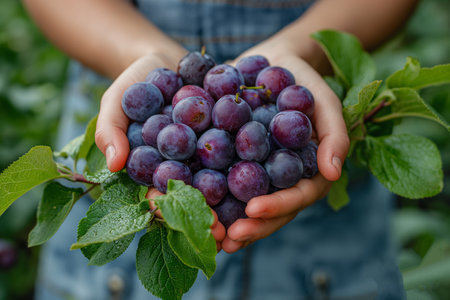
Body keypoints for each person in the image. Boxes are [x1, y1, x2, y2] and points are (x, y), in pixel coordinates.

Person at [23, 0, 418, 299]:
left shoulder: (251, 123)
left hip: (325, 242)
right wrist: (135, 54)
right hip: (117, 150)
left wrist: (305, 49)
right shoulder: (180, 130)